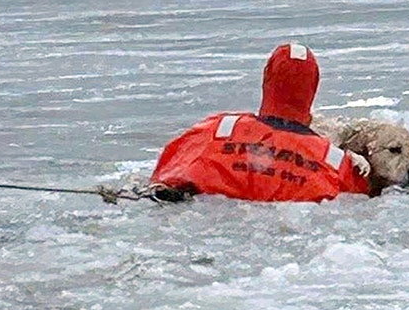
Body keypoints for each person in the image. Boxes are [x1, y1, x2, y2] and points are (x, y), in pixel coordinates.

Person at [149, 43, 371, 202]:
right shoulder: (333, 161)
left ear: (267, 78)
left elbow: (168, 168)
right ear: (313, 88)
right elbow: (362, 196)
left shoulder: (218, 129)